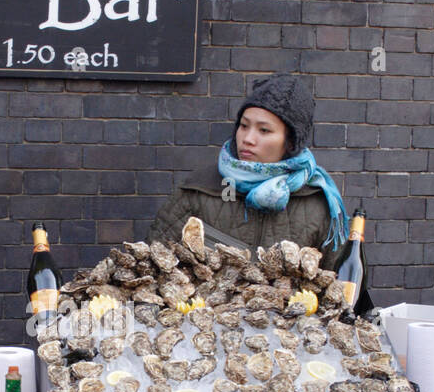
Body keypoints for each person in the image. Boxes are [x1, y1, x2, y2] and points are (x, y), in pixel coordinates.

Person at [147, 74, 349, 261]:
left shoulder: (319, 206)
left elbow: (344, 288)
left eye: (264, 130)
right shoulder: (198, 190)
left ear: (290, 142)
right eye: (244, 126)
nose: (248, 139)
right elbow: (152, 263)